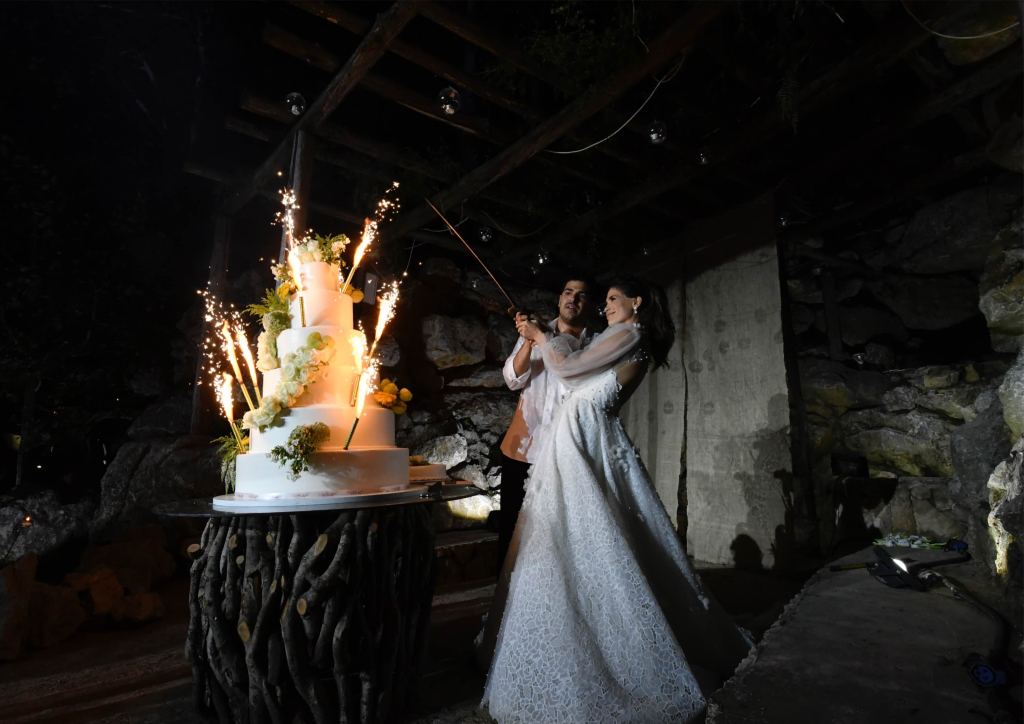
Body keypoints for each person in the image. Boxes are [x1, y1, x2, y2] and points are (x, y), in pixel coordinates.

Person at [480, 277, 753, 724]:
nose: (602, 306)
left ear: (636, 303)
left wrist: (547, 339)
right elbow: (518, 377)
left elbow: (569, 373)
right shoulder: (612, 335)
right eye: (599, 299)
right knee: (545, 543)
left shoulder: (624, 335)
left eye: (609, 299)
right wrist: (536, 339)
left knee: (581, 538)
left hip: (579, 440)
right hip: (558, 443)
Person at [496, 275, 598, 570]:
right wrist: (528, 342)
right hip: (525, 448)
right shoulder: (537, 331)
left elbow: (578, 384)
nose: (573, 299)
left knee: (557, 530)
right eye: (568, 292)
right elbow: (512, 380)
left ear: (589, 304)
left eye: (581, 295)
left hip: (568, 451)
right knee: (513, 529)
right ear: (559, 299)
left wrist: (544, 338)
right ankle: (501, 605)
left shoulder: (593, 343)